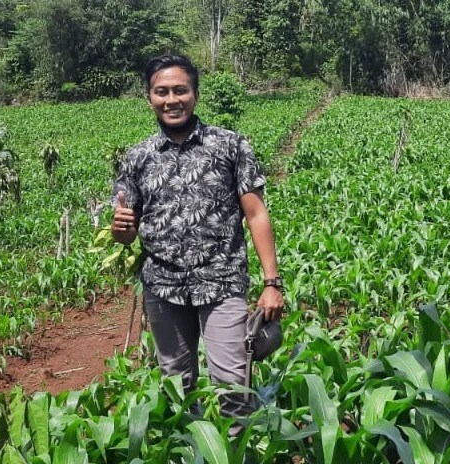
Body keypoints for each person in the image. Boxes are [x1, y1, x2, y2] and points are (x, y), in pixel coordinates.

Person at [111, 54, 284, 424]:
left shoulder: (230, 146)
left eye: (180, 90)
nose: (171, 99)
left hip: (222, 282)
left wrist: (272, 283)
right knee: (177, 387)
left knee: (234, 386)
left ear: (195, 95)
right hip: (163, 288)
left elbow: (256, 214)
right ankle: (189, 447)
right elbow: (126, 232)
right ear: (149, 98)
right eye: (161, 92)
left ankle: (237, 449)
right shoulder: (138, 158)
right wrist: (121, 231)